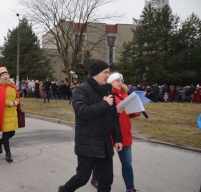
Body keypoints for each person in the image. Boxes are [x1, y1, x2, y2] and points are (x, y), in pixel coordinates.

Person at [58, 60, 122, 192]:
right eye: (105, 72)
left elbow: (113, 117)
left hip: (104, 143)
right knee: (82, 178)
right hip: (87, 142)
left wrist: (117, 138)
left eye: (108, 73)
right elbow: (82, 112)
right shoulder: (81, 90)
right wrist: (104, 104)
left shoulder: (107, 90)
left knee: (107, 179)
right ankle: (64, 190)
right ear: (96, 73)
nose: (107, 76)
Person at [91, 72, 140, 192]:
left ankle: (130, 188)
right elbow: (100, 112)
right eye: (117, 80)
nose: (120, 82)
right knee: (101, 159)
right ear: (110, 82)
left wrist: (136, 111)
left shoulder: (125, 94)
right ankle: (95, 177)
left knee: (127, 163)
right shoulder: (105, 94)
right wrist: (115, 111)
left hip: (123, 133)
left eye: (121, 80)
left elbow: (128, 114)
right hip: (107, 132)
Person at [0, 67, 20, 163]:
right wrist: (8, 103)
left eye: (6, 74)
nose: (5, 76)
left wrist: (17, 101)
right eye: (3, 75)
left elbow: (17, 96)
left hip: (13, 112)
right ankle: (8, 153)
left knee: (12, 133)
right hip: (3, 113)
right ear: (0, 77)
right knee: (6, 134)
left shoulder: (12, 86)